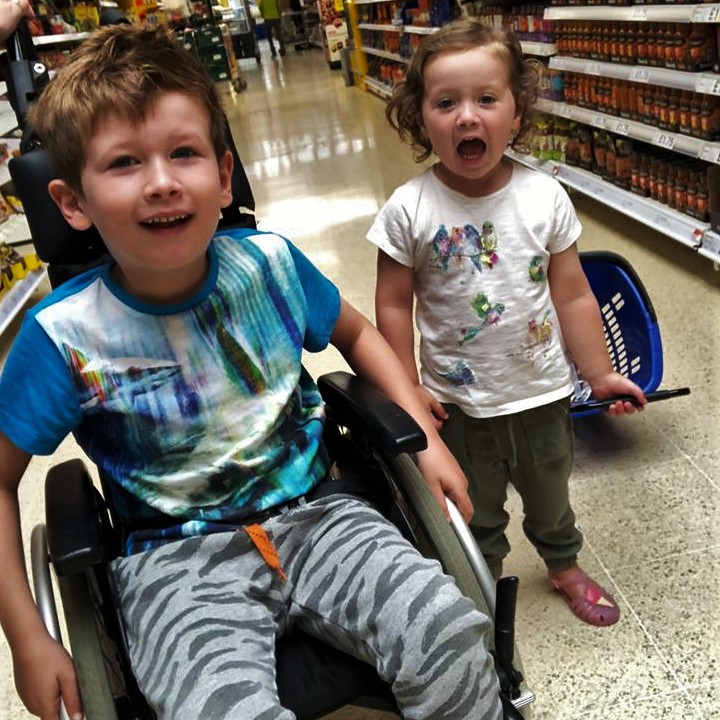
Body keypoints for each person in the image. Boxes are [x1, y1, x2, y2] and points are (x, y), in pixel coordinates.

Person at [0, 25, 503, 720]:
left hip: (321, 517)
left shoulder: (267, 265)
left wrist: (429, 439)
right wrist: (29, 637)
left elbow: (358, 332)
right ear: (73, 203)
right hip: (175, 562)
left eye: (184, 153)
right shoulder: (61, 337)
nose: (163, 182)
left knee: (449, 636)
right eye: (123, 163)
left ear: (224, 173)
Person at [367, 18, 647, 628]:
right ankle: (481, 574)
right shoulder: (407, 210)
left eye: (486, 99)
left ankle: (563, 561)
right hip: (457, 400)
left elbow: (572, 295)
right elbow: (392, 305)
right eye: (447, 103)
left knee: (550, 490)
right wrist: (408, 387)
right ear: (421, 118)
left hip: (542, 390)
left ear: (516, 114)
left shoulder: (545, 197)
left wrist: (599, 375)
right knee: (475, 502)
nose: (468, 116)